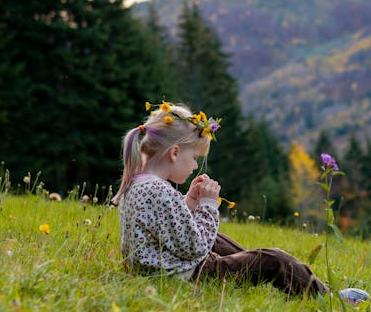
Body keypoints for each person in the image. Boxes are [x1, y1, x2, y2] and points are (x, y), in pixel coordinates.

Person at [113, 101, 329, 297]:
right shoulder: (159, 190)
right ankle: (326, 298)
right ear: (175, 153)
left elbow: (166, 228)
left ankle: (260, 268)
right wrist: (208, 205)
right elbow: (196, 247)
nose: (195, 166)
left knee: (219, 240)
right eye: (194, 158)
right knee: (274, 260)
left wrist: (189, 202)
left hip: (161, 266)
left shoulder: (139, 183)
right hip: (186, 274)